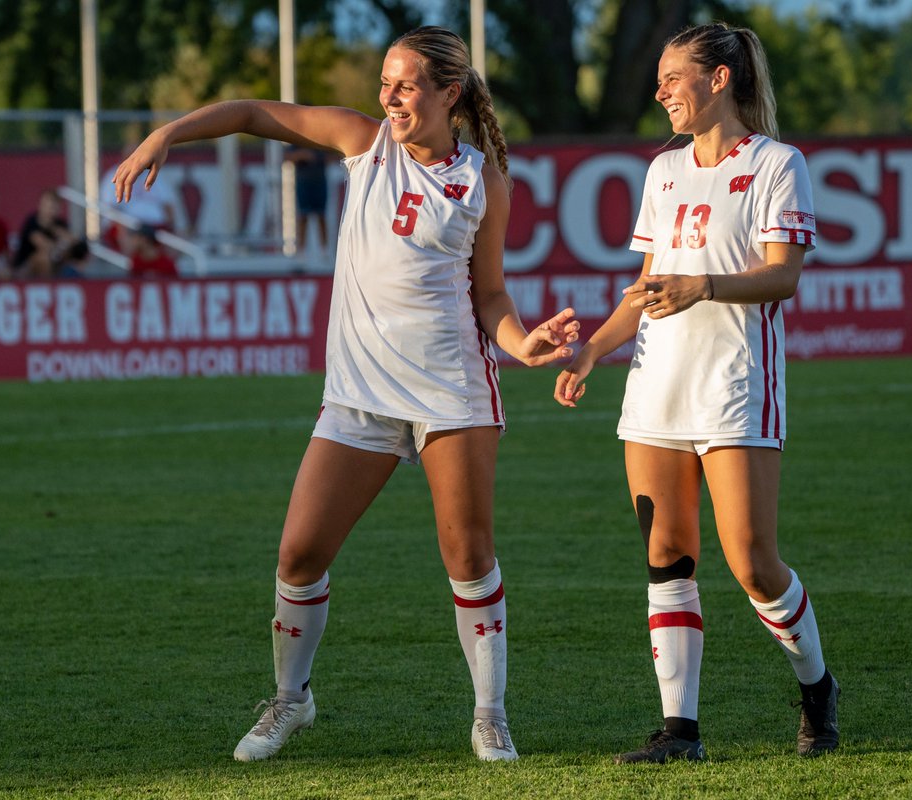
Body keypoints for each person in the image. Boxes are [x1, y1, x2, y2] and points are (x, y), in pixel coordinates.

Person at [113, 26, 579, 764]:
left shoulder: (483, 181)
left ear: (448, 94)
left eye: (405, 84)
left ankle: (490, 716)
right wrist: (169, 133)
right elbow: (253, 114)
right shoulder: (365, 144)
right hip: (359, 394)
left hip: (451, 392)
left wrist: (525, 344)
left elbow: (490, 296)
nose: (388, 97)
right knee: (299, 554)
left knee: (467, 553)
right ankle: (290, 702)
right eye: (385, 82)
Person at [554, 21, 839, 763]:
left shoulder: (778, 163)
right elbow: (646, 287)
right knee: (667, 554)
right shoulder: (664, 170)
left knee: (752, 562)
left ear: (719, 79)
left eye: (673, 76)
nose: (660, 91)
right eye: (657, 78)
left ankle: (816, 686)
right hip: (655, 386)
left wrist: (706, 284)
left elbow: (784, 275)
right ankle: (679, 730)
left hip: (735, 387)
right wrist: (591, 349)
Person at [13, 189, 90, 279]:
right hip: (25, 269)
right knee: (43, 257)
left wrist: (66, 240)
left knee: (76, 261)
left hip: (55, 263)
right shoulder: (32, 222)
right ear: (41, 205)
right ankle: (49, 285)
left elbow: (75, 245)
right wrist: (61, 243)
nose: (50, 210)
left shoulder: (60, 225)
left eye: (54, 206)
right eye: (48, 206)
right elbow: (44, 245)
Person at [285, 146, 331, 256]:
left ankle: (325, 251)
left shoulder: (321, 139)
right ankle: (301, 252)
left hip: (319, 181)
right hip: (303, 182)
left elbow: (333, 156)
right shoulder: (297, 139)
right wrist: (302, 154)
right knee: (303, 216)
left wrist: (319, 157)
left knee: (321, 216)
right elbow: (287, 157)